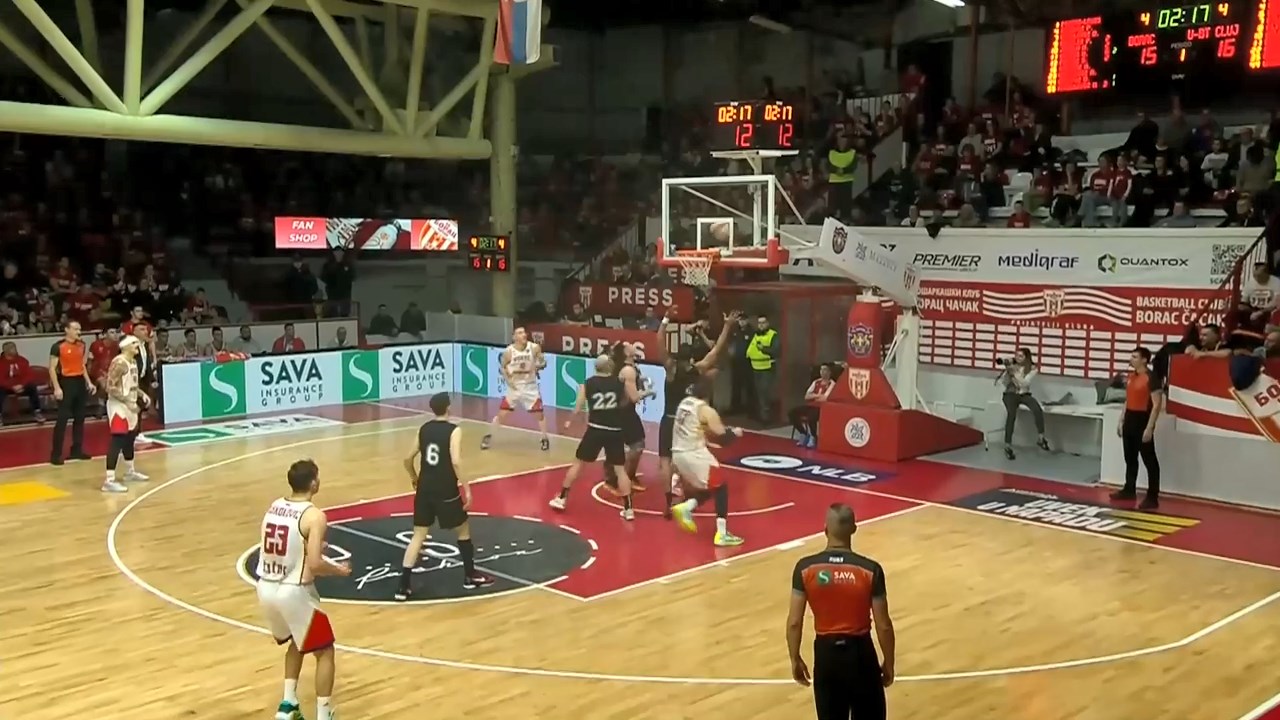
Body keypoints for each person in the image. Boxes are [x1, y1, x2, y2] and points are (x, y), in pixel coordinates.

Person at [256, 459, 350, 720]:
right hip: (293, 591)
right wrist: (339, 570)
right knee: (325, 650)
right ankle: (324, 714)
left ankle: (288, 705)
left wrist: (310, 546)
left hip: (266, 587)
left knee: (297, 642)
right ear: (313, 483)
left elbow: (282, 543)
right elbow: (316, 564)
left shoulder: (275, 505)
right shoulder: (315, 516)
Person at [786, 503, 895, 720]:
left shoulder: (805, 569)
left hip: (826, 657)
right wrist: (889, 662)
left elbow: (794, 622)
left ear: (825, 529)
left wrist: (795, 657)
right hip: (861, 655)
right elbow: (883, 625)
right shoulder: (870, 570)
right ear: (854, 529)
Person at [396, 393, 493, 599]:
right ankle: (470, 576)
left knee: (418, 535)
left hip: (424, 488)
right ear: (448, 407)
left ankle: (403, 586)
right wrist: (467, 489)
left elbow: (407, 458)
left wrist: (414, 477)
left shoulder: (423, 429)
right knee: (463, 529)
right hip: (445, 489)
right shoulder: (454, 430)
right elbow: (456, 461)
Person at [658, 310, 739, 516]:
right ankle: (687, 499)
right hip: (687, 421)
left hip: (670, 419)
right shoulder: (698, 369)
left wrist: (665, 320)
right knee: (686, 461)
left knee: (666, 461)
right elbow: (716, 351)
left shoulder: (671, 369)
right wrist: (727, 326)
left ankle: (668, 503)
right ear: (692, 357)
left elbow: (659, 343)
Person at [550, 354, 633, 518]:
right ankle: (628, 509)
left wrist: (569, 420)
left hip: (595, 429)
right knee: (620, 470)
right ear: (610, 366)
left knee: (578, 464)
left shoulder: (588, 383)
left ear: (596, 367)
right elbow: (625, 401)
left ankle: (562, 498)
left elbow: (578, 405)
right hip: (615, 430)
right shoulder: (619, 383)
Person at [668, 379, 744, 547]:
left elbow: (697, 427)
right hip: (694, 455)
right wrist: (735, 433)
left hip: (678, 455)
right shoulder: (706, 410)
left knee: (713, 486)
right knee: (721, 486)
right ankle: (722, 534)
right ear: (709, 395)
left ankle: (687, 506)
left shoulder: (684, 404)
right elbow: (723, 438)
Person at [1110, 347, 1164, 510]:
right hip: (1130, 419)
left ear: (1144, 360)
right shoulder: (1131, 377)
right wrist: (1121, 419)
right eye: (1131, 356)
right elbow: (1128, 399)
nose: (1131, 359)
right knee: (1130, 458)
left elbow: (1156, 405)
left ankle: (1152, 497)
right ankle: (1129, 489)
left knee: (1149, 460)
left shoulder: (1151, 378)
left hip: (1142, 420)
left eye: (1135, 357)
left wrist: (1150, 427)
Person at [481, 327, 549, 451]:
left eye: (524, 332)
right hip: (514, 388)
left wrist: (540, 365)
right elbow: (502, 368)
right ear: (514, 337)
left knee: (539, 415)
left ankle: (544, 438)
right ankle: (489, 436)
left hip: (530, 387)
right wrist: (508, 380)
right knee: (502, 415)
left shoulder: (534, 348)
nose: (524, 334)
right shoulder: (509, 351)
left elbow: (543, 362)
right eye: (520, 333)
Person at [601, 341, 655, 494]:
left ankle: (627, 476)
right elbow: (634, 397)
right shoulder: (627, 370)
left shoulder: (631, 367)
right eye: (628, 345)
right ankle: (616, 480)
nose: (632, 345)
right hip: (621, 412)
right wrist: (649, 392)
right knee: (635, 445)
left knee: (634, 444)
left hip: (624, 411)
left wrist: (641, 381)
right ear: (626, 353)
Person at [101, 336, 150, 493]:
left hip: (131, 404)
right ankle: (109, 480)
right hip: (118, 406)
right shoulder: (119, 362)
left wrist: (142, 394)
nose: (137, 345)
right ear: (125, 346)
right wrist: (127, 400)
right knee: (118, 440)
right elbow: (110, 387)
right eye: (134, 343)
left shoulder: (133, 362)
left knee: (130, 439)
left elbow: (132, 384)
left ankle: (129, 472)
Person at [48, 321, 95, 465]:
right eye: (75, 329)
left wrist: (89, 382)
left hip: (79, 382)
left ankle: (77, 450)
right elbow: (51, 368)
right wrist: (57, 388)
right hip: (66, 382)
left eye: (79, 329)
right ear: (67, 330)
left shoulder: (81, 345)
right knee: (62, 419)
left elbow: (82, 365)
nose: (78, 332)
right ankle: (56, 454)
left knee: (80, 418)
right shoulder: (58, 346)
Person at [999, 348, 1050, 460]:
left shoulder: (1032, 369)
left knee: (1037, 409)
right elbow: (1004, 383)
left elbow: (1025, 383)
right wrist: (1008, 373)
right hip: (1010, 394)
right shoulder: (1013, 366)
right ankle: (1007, 445)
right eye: (1016, 355)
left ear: (1027, 358)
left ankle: (1041, 437)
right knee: (1011, 415)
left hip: (1024, 394)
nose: (1018, 358)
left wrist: (1015, 373)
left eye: (1021, 356)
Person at [789, 363, 836, 448]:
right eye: (821, 370)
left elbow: (825, 398)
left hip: (822, 408)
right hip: (811, 405)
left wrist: (813, 395)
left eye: (825, 370)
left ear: (829, 372)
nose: (822, 372)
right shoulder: (816, 382)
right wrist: (817, 396)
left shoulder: (832, 384)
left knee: (811, 417)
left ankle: (813, 436)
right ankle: (803, 433)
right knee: (792, 413)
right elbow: (806, 396)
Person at [0, 341, 44, 426]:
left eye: (14, 348)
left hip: (21, 386)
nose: (14, 350)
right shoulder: (1, 363)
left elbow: (29, 375)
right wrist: (12, 387)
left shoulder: (22, 360)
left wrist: (21, 385)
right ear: (5, 351)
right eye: (11, 348)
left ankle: (37, 412)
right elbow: (1, 379)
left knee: (32, 386)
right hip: (7, 387)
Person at [747, 314, 780, 423]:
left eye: (763, 323)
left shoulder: (773, 335)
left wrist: (763, 349)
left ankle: (766, 417)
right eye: (759, 323)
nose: (761, 325)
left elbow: (776, 351)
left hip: (767, 368)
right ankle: (760, 415)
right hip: (755, 368)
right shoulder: (756, 334)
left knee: (764, 392)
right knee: (758, 392)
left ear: (767, 323)